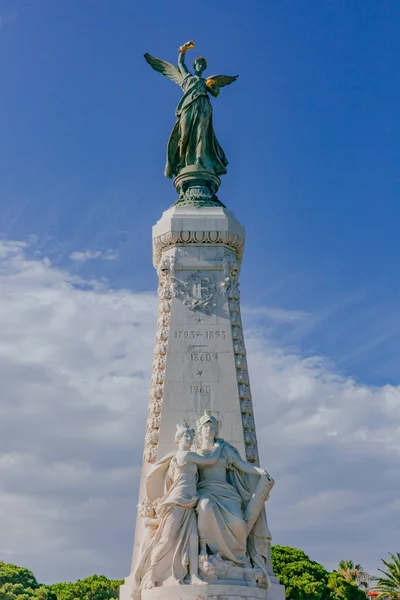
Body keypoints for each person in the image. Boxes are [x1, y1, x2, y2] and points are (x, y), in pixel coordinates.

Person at [132, 423, 221, 594]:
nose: (188, 439)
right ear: (178, 440)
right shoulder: (185, 455)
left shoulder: (178, 459)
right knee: (166, 540)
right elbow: (210, 461)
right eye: (185, 436)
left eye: (190, 436)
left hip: (189, 503)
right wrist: (217, 446)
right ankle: (150, 574)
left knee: (193, 540)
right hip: (177, 503)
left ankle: (194, 575)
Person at [195, 412, 272, 582]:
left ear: (216, 431)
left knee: (238, 523)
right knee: (205, 506)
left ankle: (238, 559)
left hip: (227, 493)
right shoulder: (195, 451)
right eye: (206, 426)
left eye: (212, 427)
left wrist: (259, 471)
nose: (209, 429)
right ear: (199, 430)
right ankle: (203, 551)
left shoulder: (224, 449)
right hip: (205, 490)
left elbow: (240, 465)